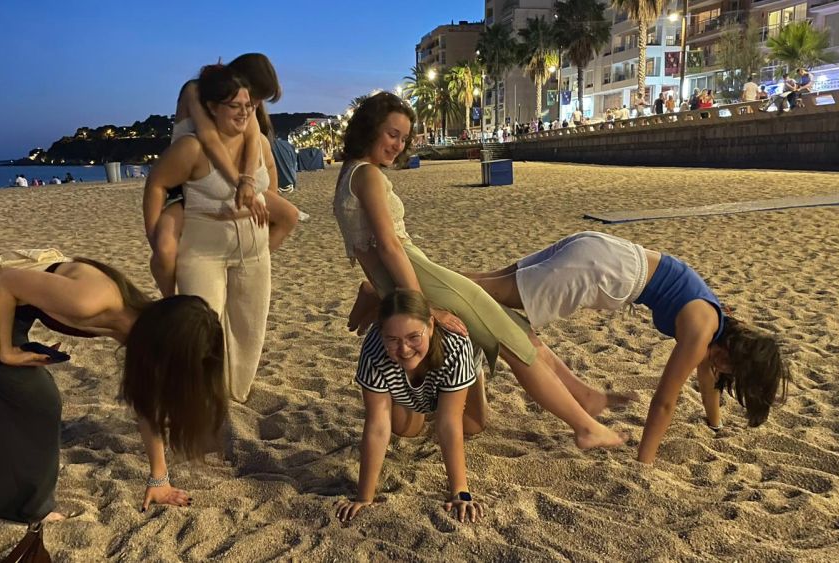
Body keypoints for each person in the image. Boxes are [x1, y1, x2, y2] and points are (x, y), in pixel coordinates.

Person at [334, 92, 625, 451]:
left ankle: (584, 398)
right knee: (513, 341)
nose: (398, 145)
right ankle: (585, 427)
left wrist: (382, 291)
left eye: (404, 138)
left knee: (511, 324)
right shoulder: (367, 175)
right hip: (418, 276)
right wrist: (425, 309)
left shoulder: (348, 174)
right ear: (370, 128)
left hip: (411, 276)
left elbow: (372, 253)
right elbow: (389, 246)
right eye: (392, 134)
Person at [0, 250, 228, 522]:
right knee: (11, 394)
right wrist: (7, 351)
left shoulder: (137, 327)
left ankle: (26, 508)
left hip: (8, 309)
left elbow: (148, 402)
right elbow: (3, 280)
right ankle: (27, 509)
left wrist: (159, 478)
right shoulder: (92, 300)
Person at [461, 232, 790, 463]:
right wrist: (645, 461)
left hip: (602, 250)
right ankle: (429, 285)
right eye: (735, 371)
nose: (725, 373)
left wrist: (714, 424)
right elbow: (664, 402)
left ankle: (432, 280)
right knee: (483, 294)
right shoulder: (701, 331)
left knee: (483, 283)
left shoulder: (715, 320)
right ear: (736, 356)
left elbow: (708, 381)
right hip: (605, 272)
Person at [144, 65, 272, 403]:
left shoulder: (256, 140)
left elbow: (268, 181)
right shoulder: (192, 146)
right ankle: (204, 396)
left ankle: (235, 394)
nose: (244, 112)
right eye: (234, 106)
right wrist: (154, 233)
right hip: (204, 250)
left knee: (249, 329)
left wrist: (261, 202)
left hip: (254, 251)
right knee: (202, 328)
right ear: (212, 107)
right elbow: (156, 183)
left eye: (248, 105)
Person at [147, 53, 299, 299]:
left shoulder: (244, 103)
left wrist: (251, 182)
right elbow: (209, 139)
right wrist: (240, 181)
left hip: (227, 183)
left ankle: (249, 263)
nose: (254, 104)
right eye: (255, 96)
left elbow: (254, 137)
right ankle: (171, 300)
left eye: (257, 101)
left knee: (288, 215)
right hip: (187, 183)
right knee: (164, 249)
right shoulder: (197, 91)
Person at [335, 290, 487, 524]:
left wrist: (461, 493)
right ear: (381, 333)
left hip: (453, 365)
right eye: (393, 339)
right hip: (410, 375)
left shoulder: (455, 345)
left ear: (431, 325)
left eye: (414, 336)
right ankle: (419, 396)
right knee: (405, 429)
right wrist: (364, 497)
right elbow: (377, 425)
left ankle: (474, 374)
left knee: (473, 425)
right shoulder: (374, 349)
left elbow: (448, 423)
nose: (404, 348)